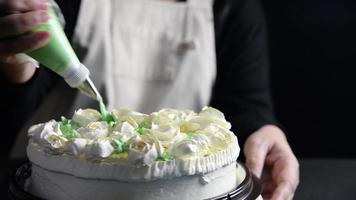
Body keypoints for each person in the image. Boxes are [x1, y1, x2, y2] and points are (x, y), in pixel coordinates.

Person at [0, 0, 299, 199]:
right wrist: (17, 61)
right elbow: (16, 108)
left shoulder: (233, 7)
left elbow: (246, 108)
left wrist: (265, 133)